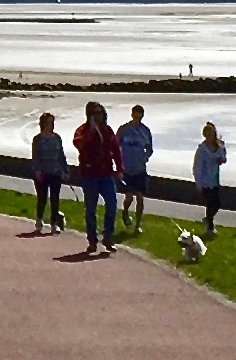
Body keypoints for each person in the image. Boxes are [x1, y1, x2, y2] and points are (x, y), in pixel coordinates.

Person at [73, 100, 122, 255]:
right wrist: (92, 131)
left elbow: (116, 149)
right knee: (90, 209)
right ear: (89, 115)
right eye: (95, 113)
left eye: (100, 113)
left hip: (106, 174)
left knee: (112, 205)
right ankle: (92, 240)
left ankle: (108, 236)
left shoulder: (108, 130)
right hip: (90, 175)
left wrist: (120, 168)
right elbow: (78, 144)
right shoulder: (82, 130)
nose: (98, 116)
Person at [29, 111, 68, 235]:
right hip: (42, 171)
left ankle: (54, 223)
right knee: (42, 197)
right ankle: (39, 219)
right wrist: (36, 170)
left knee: (55, 198)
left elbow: (61, 155)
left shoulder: (57, 138)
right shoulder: (38, 139)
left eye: (52, 123)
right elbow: (35, 156)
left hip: (55, 171)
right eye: (48, 123)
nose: (51, 125)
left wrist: (65, 169)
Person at [119, 104, 155, 237]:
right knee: (129, 197)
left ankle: (138, 225)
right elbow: (115, 145)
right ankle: (125, 212)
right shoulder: (124, 129)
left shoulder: (145, 131)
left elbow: (150, 149)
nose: (137, 117)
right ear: (132, 114)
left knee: (140, 197)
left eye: (139, 115)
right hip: (126, 168)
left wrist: (144, 158)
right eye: (135, 114)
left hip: (140, 169)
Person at [193, 120, 227, 234]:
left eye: (211, 134)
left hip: (215, 180)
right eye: (208, 135)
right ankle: (210, 227)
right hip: (205, 181)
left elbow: (223, 159)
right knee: (210, 203)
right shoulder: (202, 150)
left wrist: (221, 159)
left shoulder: (220, 146)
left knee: (217, 204)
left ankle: (207, 220)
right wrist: (198, 183)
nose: (210, 137)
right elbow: (197, 166)